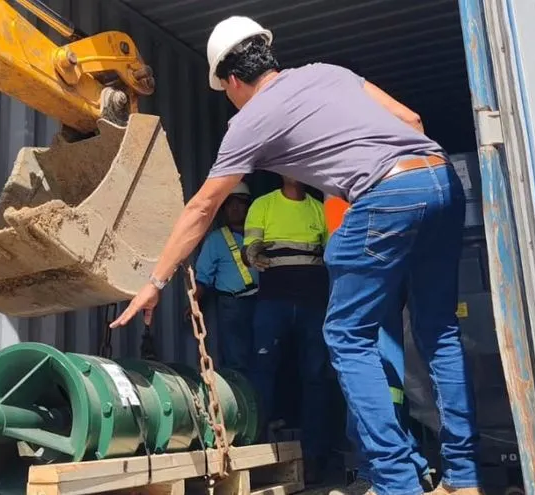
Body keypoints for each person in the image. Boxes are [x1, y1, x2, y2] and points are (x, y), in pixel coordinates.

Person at [110, 15, 482, 495]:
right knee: (439, 331)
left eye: (226, 90)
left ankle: (397, 483)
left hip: (384, 195)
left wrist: (155, 282)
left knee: (348, 337)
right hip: (440, 178)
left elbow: (203, 206)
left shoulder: (249, 121)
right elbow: (411, 121)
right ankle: (466, 477)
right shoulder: (329, 72)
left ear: (234, 80)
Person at [243, 174, 331, 483]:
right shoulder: (262, 205)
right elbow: (250, 248)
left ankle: (314, 457)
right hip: (273, 302)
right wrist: (252, 252)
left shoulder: (320, 209)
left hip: (313, 304)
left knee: (316, 378)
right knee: (263, 373)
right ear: (280, 170)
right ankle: (256, 454)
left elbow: (333, 251)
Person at [192, 182, 259, 373]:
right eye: (229, 204)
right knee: (236, 361)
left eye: (239, 203)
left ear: (248, 206)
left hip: (263, 303)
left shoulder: (260, 236)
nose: (234, 208)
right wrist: (193, 303)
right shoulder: (215, 240)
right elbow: (202, 278)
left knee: (264, 358)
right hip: (233, 306)